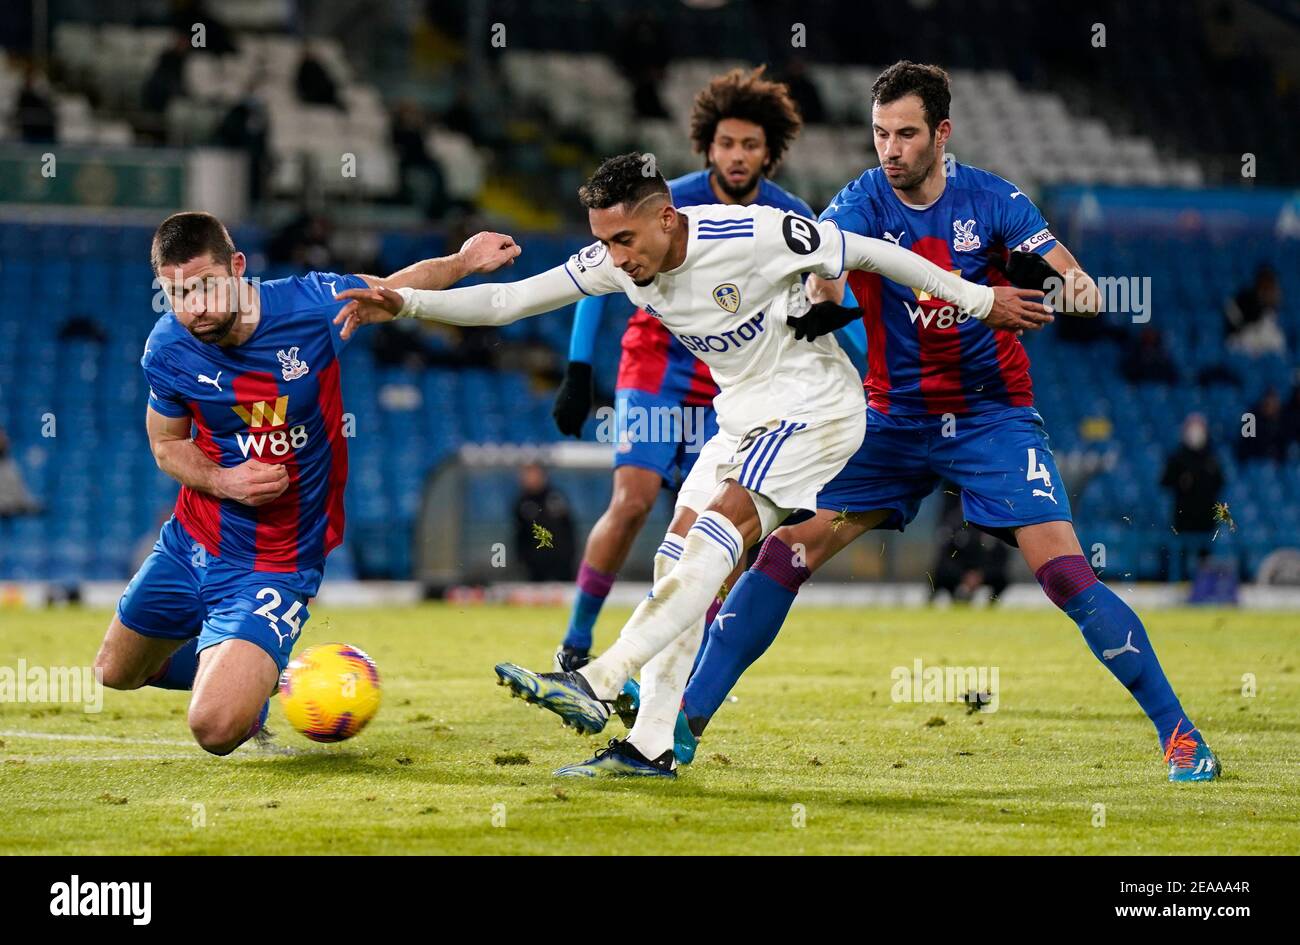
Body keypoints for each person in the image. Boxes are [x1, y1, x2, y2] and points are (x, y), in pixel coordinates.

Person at [334, 151, 1049, 776]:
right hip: (741, 418)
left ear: (667, 219)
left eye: (624, 238)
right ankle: (651, 747)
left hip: (816, 406)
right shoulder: (617, 260)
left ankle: (603, 675)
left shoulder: (753, 235)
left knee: (721, 530)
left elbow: (871, 254)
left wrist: (980, 298)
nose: (616, 258)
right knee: (675, 556)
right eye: (603, 243)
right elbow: (505, 301)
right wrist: (405, 302)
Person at [674, 61, 1220, 783]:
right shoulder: (862, 200)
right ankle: (678, 728)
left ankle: (1182, 737)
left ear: (942, 134)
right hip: (891, 421)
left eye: (905, 133)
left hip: (991, 418)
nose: (890, 148)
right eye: (879, 134)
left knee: (1063, 573)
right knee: (786, 550)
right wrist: (823, 289)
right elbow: (824, 269)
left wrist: (1056, 287)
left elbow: (1078, 282)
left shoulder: (993, 201)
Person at [91, 211, 519, 755]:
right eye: (176, 293)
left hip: (277, 558)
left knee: (216, 729)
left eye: (204, 286)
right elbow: (166, 444)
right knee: (114, 673)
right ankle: (250, 667)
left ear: (238, 267)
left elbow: (392, 291)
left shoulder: (310, 306)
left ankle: (247, 670)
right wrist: (224, 480)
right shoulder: (167, 349)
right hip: (191, 542)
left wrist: (461, 262)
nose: (193, 307)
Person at [549, 66, 862, 673]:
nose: (737, 156)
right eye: (726, 143)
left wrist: (839, 320)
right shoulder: (673, 200)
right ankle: (576, 644)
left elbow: (830, 291)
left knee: (718, 529)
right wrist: (579, 368)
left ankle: (672, 661)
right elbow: (598, 274)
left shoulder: (787, 213)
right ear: (706, 146)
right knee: (634, 498)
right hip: (658, 364)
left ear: (770, 151)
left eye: (750, 144)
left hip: (738, 385)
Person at [1160, 413, 1225, 578]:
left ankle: (1203, 587)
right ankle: (1179, 582)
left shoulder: (1212, 457)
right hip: (1184, 517)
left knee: (1205, 555)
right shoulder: (1177, 457)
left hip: (1206, 517)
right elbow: (1165, 481)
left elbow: (1221, 482)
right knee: (1180, 554)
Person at [513, 463, 576, 582]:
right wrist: (523, 560)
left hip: (561, 563)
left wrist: (569, 555)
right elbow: (519, 535)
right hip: (534, 566)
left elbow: (569, 529)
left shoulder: (555, 498)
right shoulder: (522, 503)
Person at [1224, 264, 1286, 358]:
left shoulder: (1271, 299)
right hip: (1244, 334)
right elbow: (1232, 315)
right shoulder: (1244, 297)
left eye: (1270, 282)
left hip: (1262, 335)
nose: (1268, 286)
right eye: (1265, 281)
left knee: (1278, 340)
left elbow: (1271, 315)